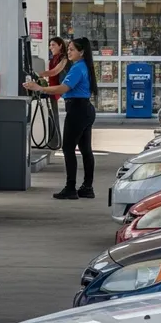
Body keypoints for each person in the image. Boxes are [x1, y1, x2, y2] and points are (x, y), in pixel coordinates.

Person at [24, 36, 97, 200]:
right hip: (85, 109)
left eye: (72, 50)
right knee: (86, 150)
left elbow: (64, 87)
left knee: (68, 148)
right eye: (68, 49)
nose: (68, 52)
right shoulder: (85, 66)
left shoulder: (77, 68)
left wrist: (39, 88)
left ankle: (70, 187)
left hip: (77, 110)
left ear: (81, 52)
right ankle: (87, 187)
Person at [39, 37, 68, 149]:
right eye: (50, 45)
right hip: (53, 91)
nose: (51, 47)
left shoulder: (63, 58)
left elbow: (54, 72)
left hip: (60, 92)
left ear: (60, 45)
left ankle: (58, 142)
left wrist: (39, 74)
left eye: (53, 45)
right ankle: (55, 142)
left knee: (57, 118)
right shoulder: (53, 58)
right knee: (53, 117)